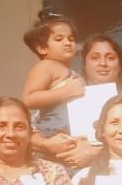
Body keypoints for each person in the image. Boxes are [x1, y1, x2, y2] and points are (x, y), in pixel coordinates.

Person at [49, 32, 122, 169]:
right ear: (85, 64)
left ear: (120, 65)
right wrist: (45, 144)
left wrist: (93, 153)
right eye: (95, 58)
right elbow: (35, 126)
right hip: (74, 173)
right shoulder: (69, 95)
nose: (103, 63)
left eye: (110, 58)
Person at [20, 12, 85, 153]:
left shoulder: (69, 70)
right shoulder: (46, 66)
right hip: (50, 134)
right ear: (42, 48)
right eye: (59, 39)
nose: (67, 43)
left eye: (71, 38)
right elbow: (28, 99)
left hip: (69, 137)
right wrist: (66, 92)